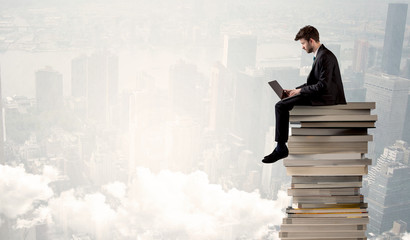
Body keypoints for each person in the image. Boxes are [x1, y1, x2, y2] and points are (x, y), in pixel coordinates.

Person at [262, 25, 346, 164]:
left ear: (311, 41)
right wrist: (295, 90)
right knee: (285, 102)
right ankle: (280, 147)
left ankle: (281, 148)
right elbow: (315, 83)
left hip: (327, 99)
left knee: (281, 106)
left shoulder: (325, 57)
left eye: (303, 43)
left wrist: (300, 92)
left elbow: (323, 86)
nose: (302, 47)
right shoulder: (321, 55)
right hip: (321, 94)